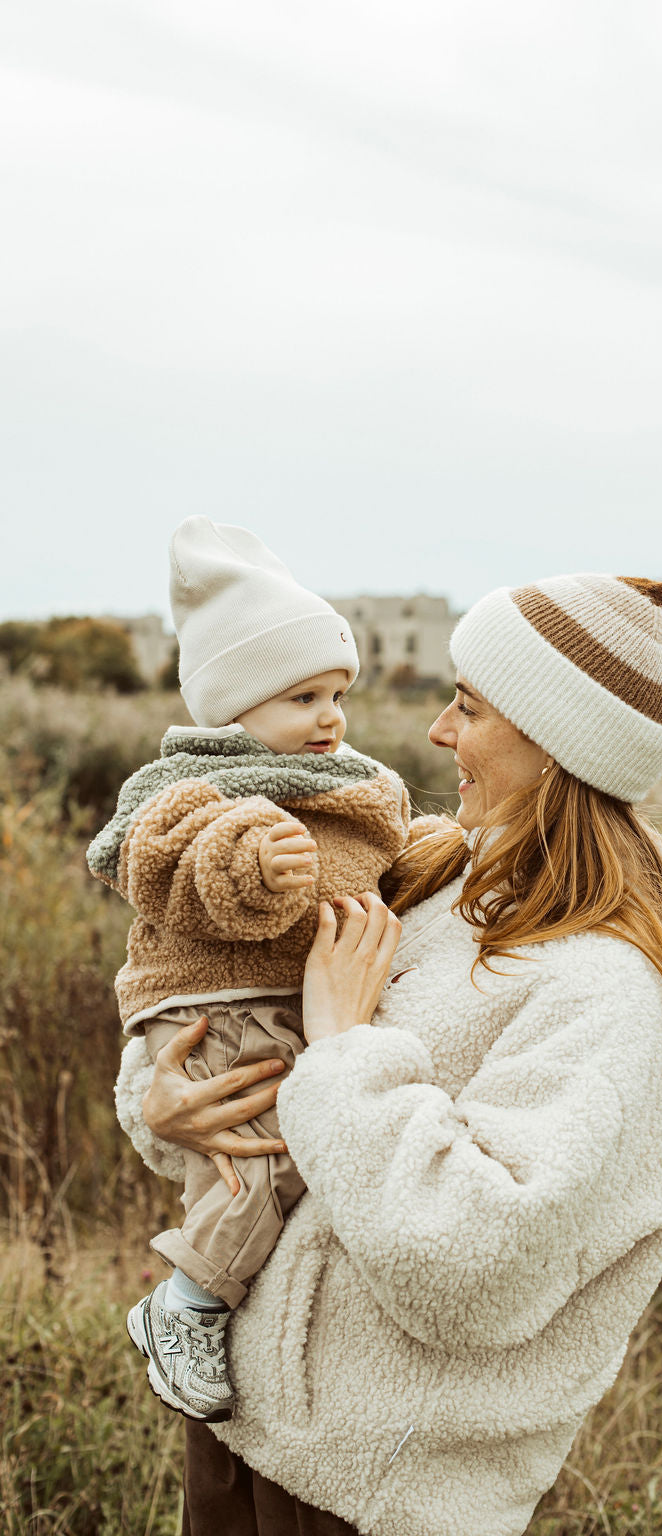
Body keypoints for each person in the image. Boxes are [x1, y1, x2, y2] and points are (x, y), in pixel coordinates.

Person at [115, 573, 662, 1536]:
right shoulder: (436, 877)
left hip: (373, 1497)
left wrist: (347, 1049)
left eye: (470, 707)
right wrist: (162, 1105)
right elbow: (247, 1035)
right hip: (244, 1429)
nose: (439, 732)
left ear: (555, 743)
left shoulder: (600, 987)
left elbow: (478, 1269)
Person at [88, 517, 408, 1423]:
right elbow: (161, 863)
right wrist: (248, 863)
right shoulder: (200, 788)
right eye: (303, 696)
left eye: (337, 692)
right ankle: (184, 1304)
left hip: (282, 997)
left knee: (294, 1151)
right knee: (260, 1159)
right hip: (214, 1001)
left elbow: (379, 866)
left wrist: (435, 857)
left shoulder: (344, 784)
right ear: (234, 708)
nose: (331, 717)